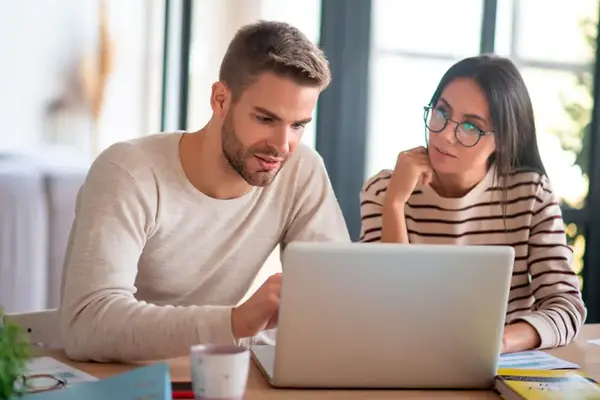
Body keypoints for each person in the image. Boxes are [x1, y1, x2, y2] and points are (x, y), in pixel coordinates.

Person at [59, 20, 350, 362]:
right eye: (266, 119)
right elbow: (87, 324)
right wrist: (236, 322)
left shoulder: (301, 169)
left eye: (298, 125)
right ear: (220, 99)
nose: (282, 146)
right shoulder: (128, 172)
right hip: (126, 379)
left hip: (218, 376)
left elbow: (334, 302)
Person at [359, 55, 586, 353]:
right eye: (442, 112)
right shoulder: (384, 190)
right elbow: (382, 308)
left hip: (501, 365)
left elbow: (566, 307)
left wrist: (498, 341)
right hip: (407, 358)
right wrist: (395, 204)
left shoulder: (530, 194)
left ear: (504, 140)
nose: (444, 134)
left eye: (470, 126)